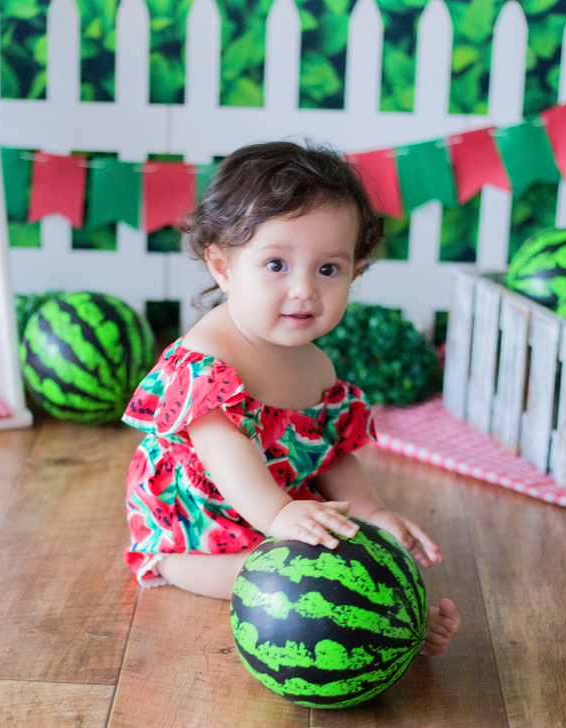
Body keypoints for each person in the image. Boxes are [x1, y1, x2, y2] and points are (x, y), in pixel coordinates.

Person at [122, 140, 460, 656]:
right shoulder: (208, 363)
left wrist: (373, 511)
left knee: (342, 552)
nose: (305, 290)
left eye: (329, 269)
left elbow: (330, 453)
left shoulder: (315, 364)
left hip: (281, 508)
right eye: (277, 264)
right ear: (223, 267)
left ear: (356, 271)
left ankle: (402, 621)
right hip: (197, 528)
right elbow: (228, 461)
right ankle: (382, 625)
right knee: (276, 576)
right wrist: (279, 516)